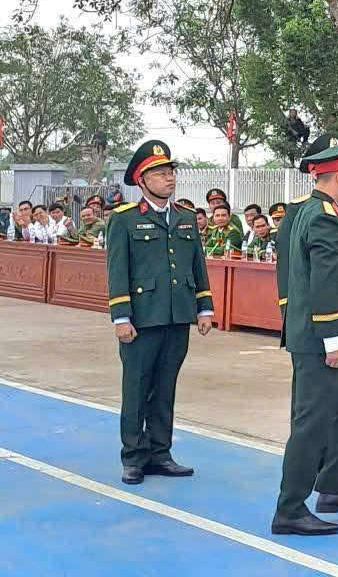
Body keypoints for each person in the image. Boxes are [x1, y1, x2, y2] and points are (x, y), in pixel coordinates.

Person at [272, 135, 338, 537]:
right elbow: (325, 281)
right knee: (311, 422)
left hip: (329, 333)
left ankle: (333, 488)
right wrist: (333, 339)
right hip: (323, 337)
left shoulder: (318, 211)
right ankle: (290, 508)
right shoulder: (322, 217)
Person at [107, 139, 215, 485]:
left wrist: (204, 307)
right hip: (141, 318)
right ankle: (133, 457)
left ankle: (160, 452)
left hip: (178, 315)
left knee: (165, 387)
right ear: (142, 180)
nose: (169, 178)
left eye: (171, 172)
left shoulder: (185, 217)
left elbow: (198, 266)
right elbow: (117, 271)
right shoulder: (124, 220)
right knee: (137, 388)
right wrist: (120, 317)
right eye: (161, 173)